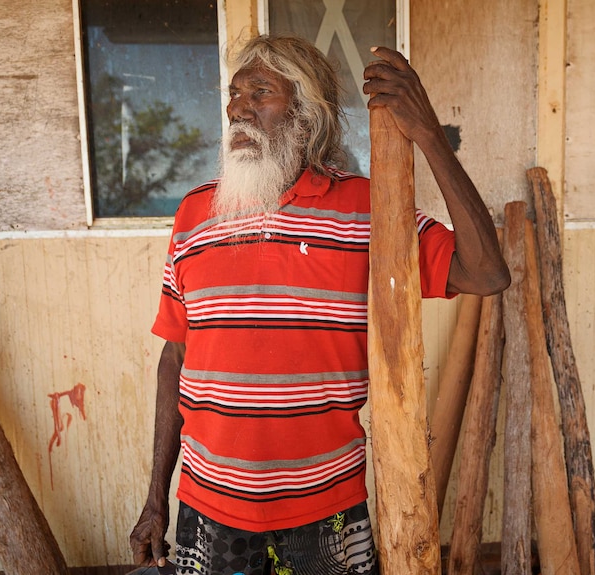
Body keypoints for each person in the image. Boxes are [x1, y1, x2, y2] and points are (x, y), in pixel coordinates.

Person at [130, 34, 510, 575]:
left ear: (307, 114)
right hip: (207, 507)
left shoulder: (368, 211)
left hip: (326, 511)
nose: (238, 108)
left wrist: (428, 135)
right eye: (235, 94)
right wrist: (154, 498)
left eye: (261, 91)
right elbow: (175, 359)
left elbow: (486, 272)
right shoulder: (196, 214)